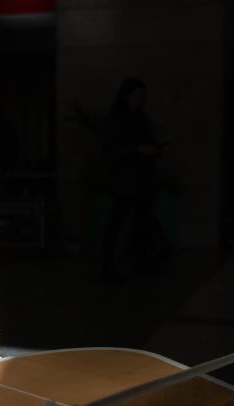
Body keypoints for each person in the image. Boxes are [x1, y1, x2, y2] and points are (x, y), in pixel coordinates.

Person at [100, 77, 169, 282]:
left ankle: (142, 262)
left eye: (143, 97)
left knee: (142, 223)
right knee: (118, 221)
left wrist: (155, 150)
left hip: (142, 180)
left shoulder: (141, 118)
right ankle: (109, 265)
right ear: (126, 96)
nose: (141, 101)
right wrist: (137, 151)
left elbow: (148, 141)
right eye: (137, 97)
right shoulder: (117, 120)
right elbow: (111, 151)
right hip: (125, 181)